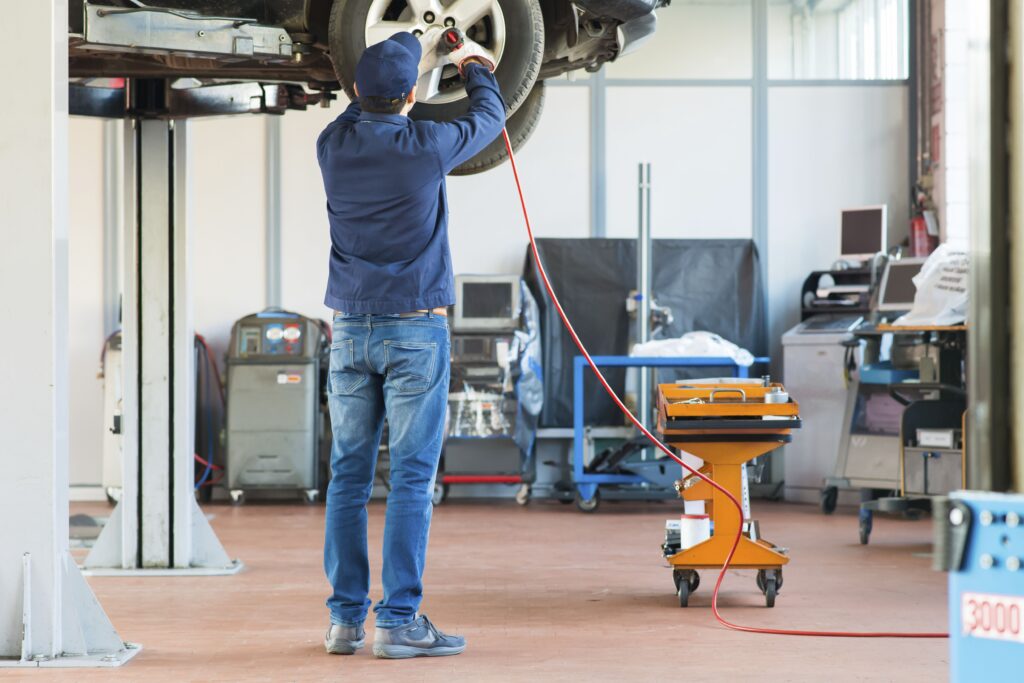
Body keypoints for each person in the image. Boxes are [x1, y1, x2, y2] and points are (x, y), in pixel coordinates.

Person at [315, 31, 506, 659]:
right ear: (410, 98)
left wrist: (408, 63)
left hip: (349, 333)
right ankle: (397, 622)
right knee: (411, 478)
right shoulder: (425, 148)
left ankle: (346, 623)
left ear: (354, 92)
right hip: (414, 333)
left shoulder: (332, 147)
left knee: (348, 476)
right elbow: (490, 116)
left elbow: (362, 104)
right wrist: (475, 64)